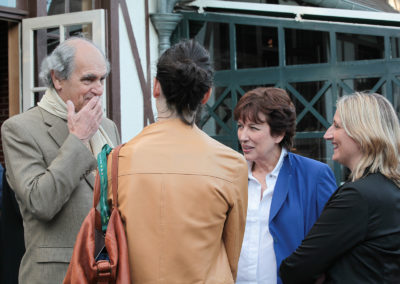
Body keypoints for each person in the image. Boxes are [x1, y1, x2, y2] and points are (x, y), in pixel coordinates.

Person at [107, 39, 248, 283]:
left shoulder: (118, 159)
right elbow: (232, 256)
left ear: (155, 87)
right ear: (206, 95)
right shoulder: (232, 165)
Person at [1, 37, 120, 283]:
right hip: (56, 275)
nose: (98, 88)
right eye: (88, 79)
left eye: (102, 79)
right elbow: (41, 202)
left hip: (109, 270)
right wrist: (78, 138)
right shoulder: (20, 128)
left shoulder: (108, 127)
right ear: (57, 79)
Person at [279, 92, 400, 283]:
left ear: (362, 132)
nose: (327, 135)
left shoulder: (358, 197)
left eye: (336, 126)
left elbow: (295, 269)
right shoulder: (390, 187)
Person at [234, 87, 337, 284]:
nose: (243, 136)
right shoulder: (229, 175)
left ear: (279, 133)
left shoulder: (314, 176)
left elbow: (330, 247)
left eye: (254, 128)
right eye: (240, 126)